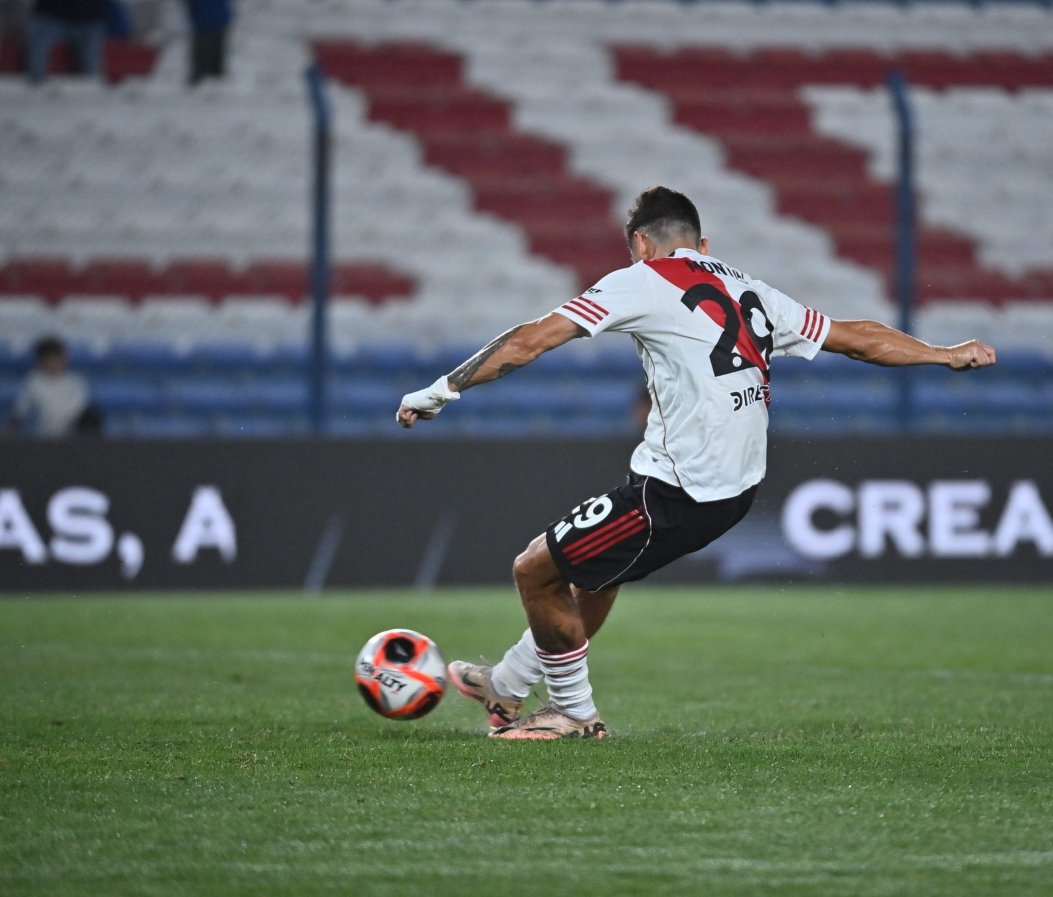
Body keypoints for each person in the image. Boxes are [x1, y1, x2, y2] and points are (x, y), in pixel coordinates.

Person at [396, 186, 997, 739]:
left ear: (640, 244)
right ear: (703, 245)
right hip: (732, 489)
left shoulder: (641, 280)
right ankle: (506, 684)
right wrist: (942, 353)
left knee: (535, 571)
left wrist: (443, 389)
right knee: (599, 573)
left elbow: (534, 338)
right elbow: (855, 337)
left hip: (679, 491)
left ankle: (573, 714)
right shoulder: (748, 288)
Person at [9, 336, 94, 438]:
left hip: (73, 435)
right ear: (41, 361)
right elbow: (21, 410)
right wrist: (11, 429)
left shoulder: (75, 382)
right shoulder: (34, 382)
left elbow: (81, 410)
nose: (55, 363)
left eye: (58, 358)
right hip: (47, 436)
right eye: (51, 359)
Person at [23, 0, 107, 84]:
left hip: (87, 21)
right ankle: (34, 86)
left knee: (93, 63)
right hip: (49, 16)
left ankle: (93, 88)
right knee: (38, 48)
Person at [181, 0, 233, 86]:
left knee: (204, 46)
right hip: (214, 17)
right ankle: (213, 71)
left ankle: (204, 72)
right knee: (213, 45)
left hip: (203, 17)